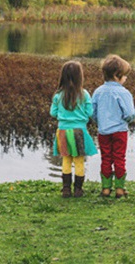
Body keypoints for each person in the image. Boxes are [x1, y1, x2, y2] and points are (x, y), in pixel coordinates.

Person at [50, 60, 97, 198]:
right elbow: (89, 113)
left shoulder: (58, 95)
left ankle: (66, 189)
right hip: (79, 132)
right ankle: (78, 190)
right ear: (80, 77)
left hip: (63, 131)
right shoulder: (85, 94)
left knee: (66, 160)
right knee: (79, 161)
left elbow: (53, 113)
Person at [92, 54, 135, 198]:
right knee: (119, 158)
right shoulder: (123, 93)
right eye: (124, 76)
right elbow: (130, 113)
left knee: (106, 158)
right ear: (117, 75)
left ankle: (105, 189)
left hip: (103, 131)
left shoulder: (98, 91)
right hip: (119, 131)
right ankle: (119, 189)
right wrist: (126, 120)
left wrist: (100, 122)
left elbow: (92, 112)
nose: (125, 78)